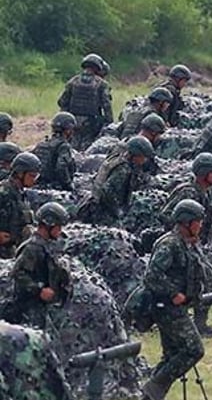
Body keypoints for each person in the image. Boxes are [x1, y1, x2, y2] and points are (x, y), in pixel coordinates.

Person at [140, 199, 207, 400]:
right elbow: (151, 276)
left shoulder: (187, 243)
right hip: (166, 307)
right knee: (193, 349)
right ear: (186, 222)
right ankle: (153, 388)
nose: (201, 225)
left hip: (176, 306)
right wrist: (173, 293)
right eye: (197, 221)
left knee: (171, 353)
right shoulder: (169, 244)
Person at [160, 153, 212, 337]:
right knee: (205, 282)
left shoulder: (203, 192)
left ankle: (199, 324)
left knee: (208, 282)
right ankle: (191, 324)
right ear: (205, 174)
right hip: (184, 247)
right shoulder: (188, 192)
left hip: (196, 246)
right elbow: (166, 214)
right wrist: (182, 235)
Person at [7, 202, 71, 330]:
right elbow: (17, 273)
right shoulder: (33, 248)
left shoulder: (45, 246)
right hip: (28, 309)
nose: (60, 231)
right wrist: (39, 290)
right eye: (58, 227)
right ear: (49, 224)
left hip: (39, 307)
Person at [76, 135, 154, 226]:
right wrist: (117, 211)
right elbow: (107, 191)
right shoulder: (123, 170)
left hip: (95, 205)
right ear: (136, 155)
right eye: (143, 157)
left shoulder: (117, 158)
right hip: (103, 212)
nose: (144, 160)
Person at [57, 53, 113, 150]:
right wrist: (109, 124)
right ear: (97, 67)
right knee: (87, 150)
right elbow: (107, 106)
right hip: (91, 123)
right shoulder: (101, 84)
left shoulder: (73, 81)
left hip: (72, 121)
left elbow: (62, 102)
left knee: (71, 147)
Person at [0, 152, 40, 259]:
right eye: (32, 176)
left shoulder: (21, 193)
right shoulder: (4, 192)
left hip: (14, 249)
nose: (34, 180)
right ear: (20, 173)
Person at [32, 112, 76, 191]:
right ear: (68, 130)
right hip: (55, 188)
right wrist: (68, 185)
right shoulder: (63, 146)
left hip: (39, 185)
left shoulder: (42, 144)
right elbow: (61, 167)